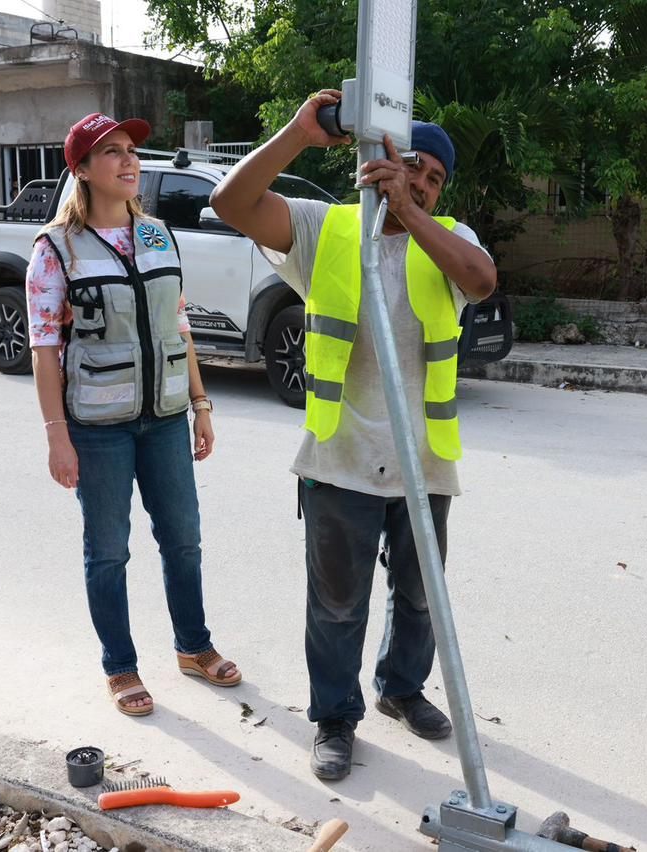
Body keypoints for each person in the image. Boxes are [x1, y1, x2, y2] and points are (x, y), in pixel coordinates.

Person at [210, 91, 497, 780]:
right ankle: (334, 717)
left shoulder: (451, 237)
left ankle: (400, 689)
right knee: (337, 606)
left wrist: (409, 212)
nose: (423, 183)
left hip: (423, 464)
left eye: (433, 179)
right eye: (413, 167)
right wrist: (296, 135)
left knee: (421, 594)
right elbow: (230, 203)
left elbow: (482, 282)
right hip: (339, 461)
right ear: (376, 162)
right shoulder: (325, 230)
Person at [28, 112, 241, 717]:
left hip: (167, 417)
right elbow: (46, 351)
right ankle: (120, 666)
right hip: (98, 428)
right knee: (109, 550)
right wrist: (56, 437)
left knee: (184, 540)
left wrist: (200, 404)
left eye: (131, 151)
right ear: (82, 170)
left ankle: (193, 648)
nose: (129, 162)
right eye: (113, 153)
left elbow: (179, 327)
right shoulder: (54, 250)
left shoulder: (157, 236)